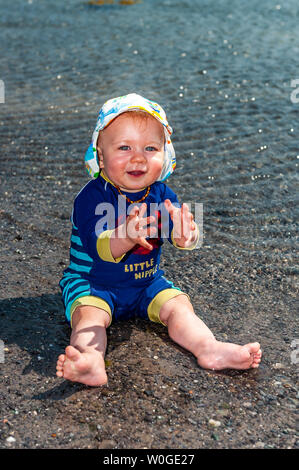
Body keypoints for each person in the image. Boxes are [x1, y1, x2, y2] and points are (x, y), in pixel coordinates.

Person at [56, 93, 262, 386]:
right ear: (100, 156)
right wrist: (124, 236)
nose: (138, 157)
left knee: (178, 305)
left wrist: (186, 235)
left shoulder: (162, 195)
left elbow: (180, 235)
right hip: (93, 283)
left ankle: (209, 348)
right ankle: (90, 361)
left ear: (166, 155)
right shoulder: (92, 197)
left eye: (150, 148)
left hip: (146, 283)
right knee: (89, 317)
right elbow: (99, 247)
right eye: (124, 147)